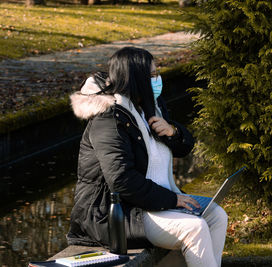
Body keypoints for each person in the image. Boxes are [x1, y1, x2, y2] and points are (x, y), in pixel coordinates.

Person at [67, 47, 228, 267]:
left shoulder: (150, 105)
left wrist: (173, 132)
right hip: (117, 213)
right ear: (135, 78)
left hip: (155, 202)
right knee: (195, 227)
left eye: (157, 73)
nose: (157, 79)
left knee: (217, 215)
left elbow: (184, 148)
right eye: (151, 75)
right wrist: (172, 200)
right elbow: (122, 179)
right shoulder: (108, 118)